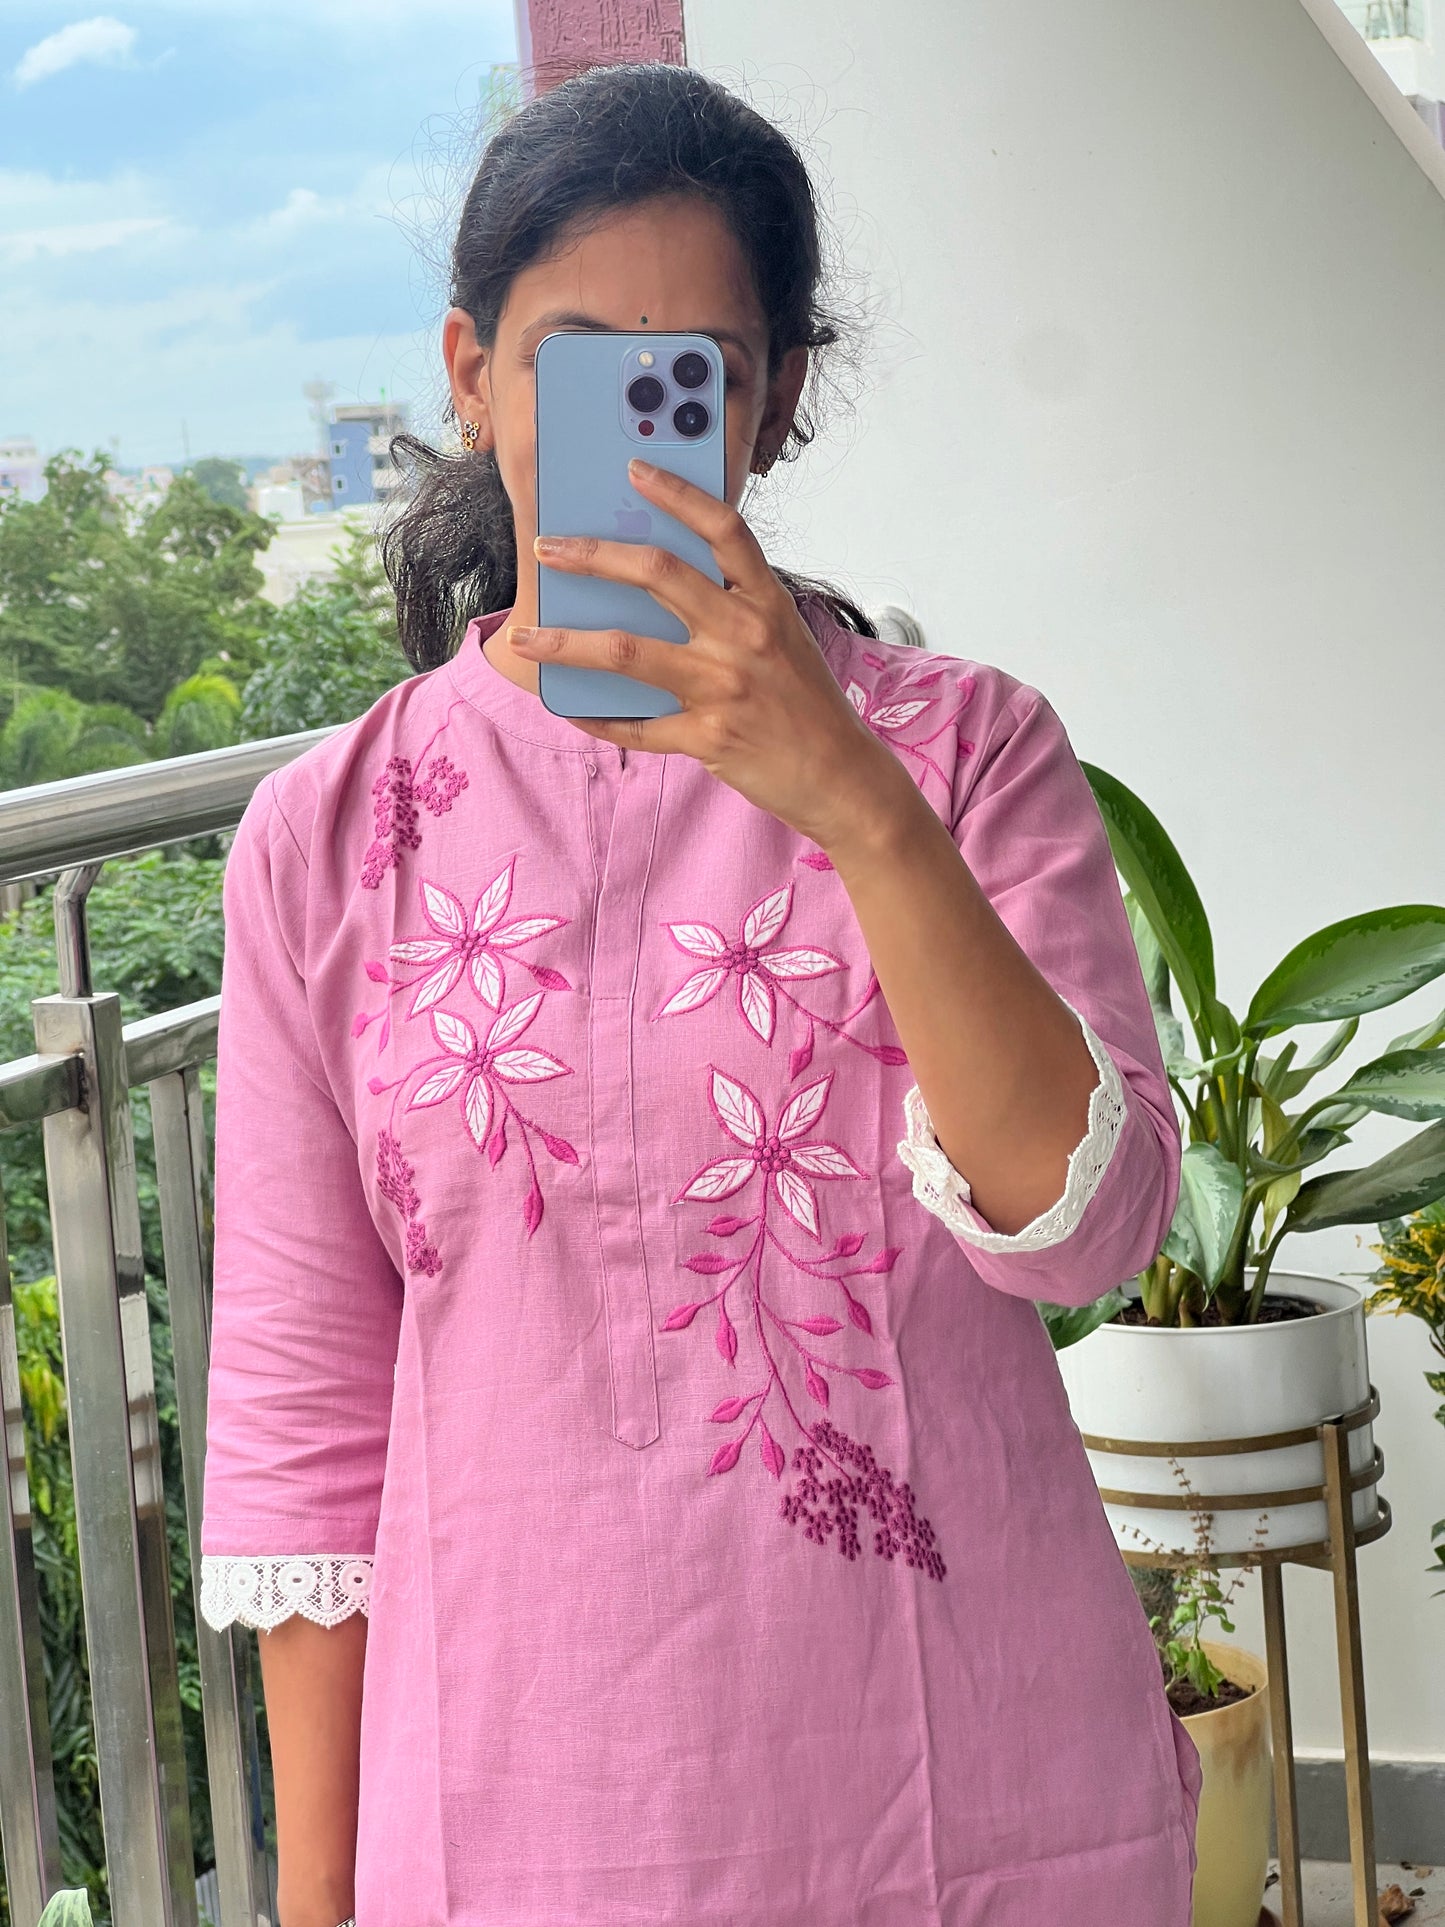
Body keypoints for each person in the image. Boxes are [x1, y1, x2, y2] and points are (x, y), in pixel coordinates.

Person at [199, 60, 1202, 1927]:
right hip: (517, 1810)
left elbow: (1089, 1233)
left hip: (966, 1794)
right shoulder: (327, 837)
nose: (642, 437)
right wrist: (314, 1898)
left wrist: (853, 802)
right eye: (575, 366)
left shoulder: (968, 756)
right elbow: (302, 1412)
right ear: (470, 372)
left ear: (777, 398)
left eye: (697, 378)